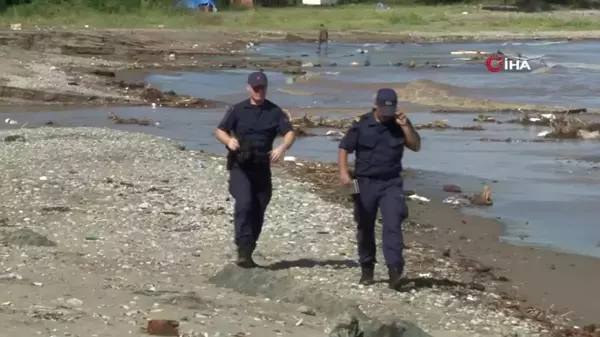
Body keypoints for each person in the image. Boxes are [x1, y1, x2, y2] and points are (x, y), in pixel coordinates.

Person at [337, 88, 421, 290]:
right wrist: (343, 172)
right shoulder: (361, 124)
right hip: (365, 183)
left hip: (391, 183)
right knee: (365, 226)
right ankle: (367, 268)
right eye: (383, 108)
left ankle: (395, 271)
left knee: (393, 223)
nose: (387, 113)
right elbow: (344, 148)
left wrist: (406, 127)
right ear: (376, 105)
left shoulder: (400, 123)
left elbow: (416, 145)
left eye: (390, 109)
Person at [215, 71, 296, 268]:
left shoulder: (275, 112)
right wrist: (229, 141)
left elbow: (290, 133)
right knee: (244, 204)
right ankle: (242, 249)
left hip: (262, 167)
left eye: (262, 88)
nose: (259, 91)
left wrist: (282, 148)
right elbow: (220, 130)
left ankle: (249, 250)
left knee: (258, 209)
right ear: (248, 88)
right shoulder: (237, 110)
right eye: (256, 88)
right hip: (240, 166)